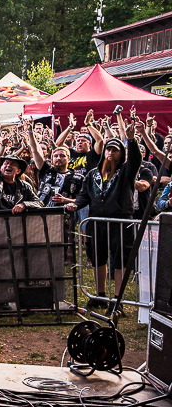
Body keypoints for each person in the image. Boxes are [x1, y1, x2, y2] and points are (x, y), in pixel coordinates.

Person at [69, 111, 141, 304]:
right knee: (98, 257)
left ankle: (118, 299)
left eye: (115, 150)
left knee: (119, 260)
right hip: (97, 222)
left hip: (120, 222)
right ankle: (99, 295)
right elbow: (84, 195)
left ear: (121, 154)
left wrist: (131, 140)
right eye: (108, 149)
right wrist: (75, 204)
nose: (110, 153)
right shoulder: (93, 173)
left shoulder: (126, 172)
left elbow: (135, 160)